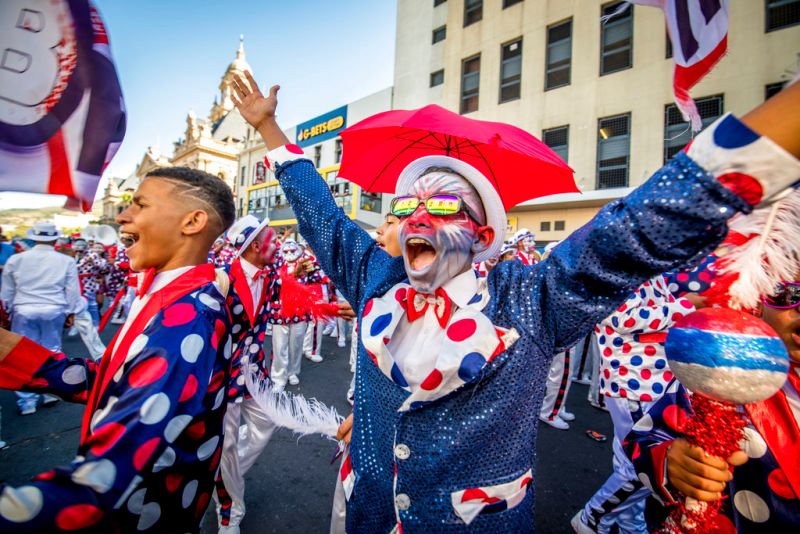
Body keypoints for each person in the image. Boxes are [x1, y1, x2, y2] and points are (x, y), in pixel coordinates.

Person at [232, 71, 800, 531]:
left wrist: (772, 137)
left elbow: (634, 231)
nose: (418, 218)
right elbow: (322, 217)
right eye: (406, 210)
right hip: (369, 513)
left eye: (446, 208)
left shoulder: (533, 297)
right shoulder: (375, 278)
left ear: (483, 239)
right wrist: (271, 131)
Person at [0, 167, 236, 532]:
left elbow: (105, 476)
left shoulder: (190, 316)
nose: (123, 216)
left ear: (192, 221)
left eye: (139, 204)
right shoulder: (165, 293)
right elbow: (114, 382)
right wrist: (14, 356)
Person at [624, 276, 800, 530]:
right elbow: (645, 440)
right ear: (758, 303)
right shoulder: (726, 374)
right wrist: (672, 464)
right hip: (630, 375)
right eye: (787, 294)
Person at [572, 275, 695, 533]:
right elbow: (621, 318)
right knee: (644, 465)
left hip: (656, 382)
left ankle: (632, 526)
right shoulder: (618, 268)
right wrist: (689, 306)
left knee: (629, 463)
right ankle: (592, 519)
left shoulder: (654, 273)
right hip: (635, 383)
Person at [214, 214, 279, 534]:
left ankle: (223, 473)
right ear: (255, 245)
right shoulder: (220, 280)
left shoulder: (271, 278)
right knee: (224, 447)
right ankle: (229, 510)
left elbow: (292, 304)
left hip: (256, 376)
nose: (277, 242)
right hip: (222, 379)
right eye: (271, 237)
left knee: (266, 424)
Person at [1, 222, 82, 415]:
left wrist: (8, 313)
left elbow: (7, 292)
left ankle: (27, 401)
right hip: (53, 308)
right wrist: (70, 312)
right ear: (54, 239)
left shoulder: (16, 259)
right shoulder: (65, 261)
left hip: (23, 308)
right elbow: (72, 291)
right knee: (51, 350)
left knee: (21, 354)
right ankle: (50, 392)